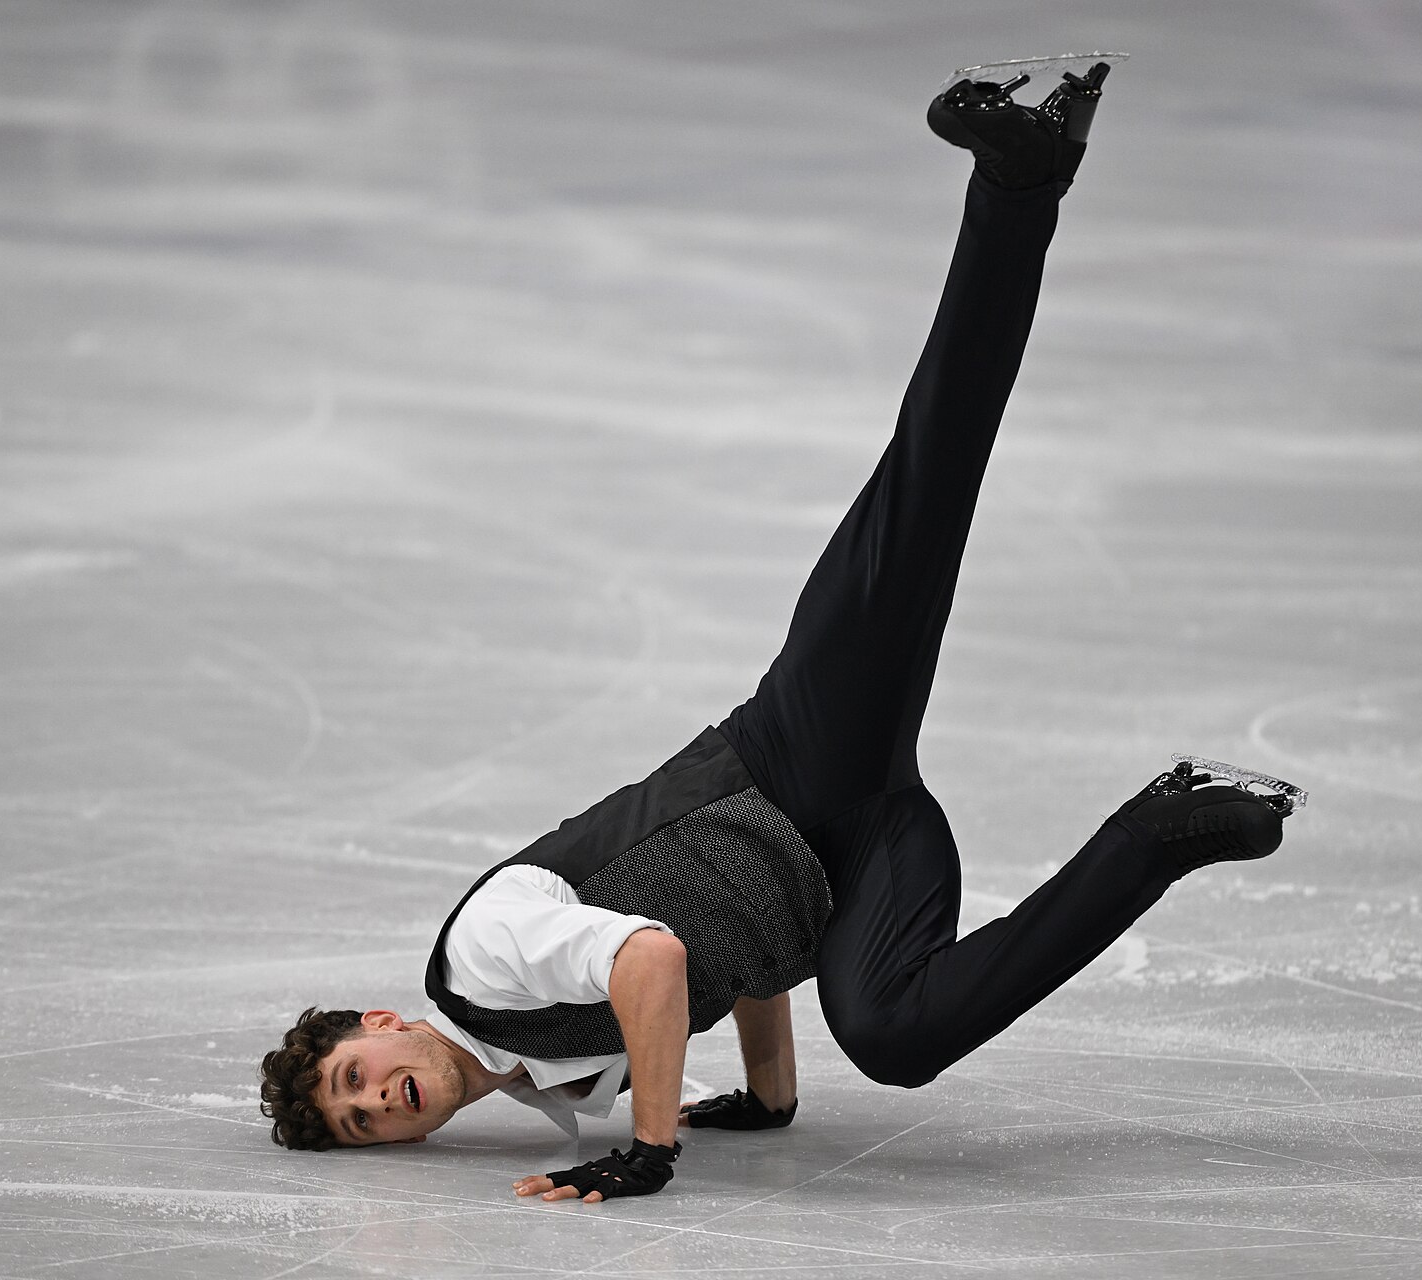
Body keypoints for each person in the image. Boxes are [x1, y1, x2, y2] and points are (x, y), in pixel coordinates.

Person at [257, 62, 1296, 1203]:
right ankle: (1162, 826)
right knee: (896, 1035)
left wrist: (652, 1146)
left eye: (358, 1073)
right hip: (849, 863)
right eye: (359, 1122)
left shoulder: (481, 959)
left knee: (931, 479)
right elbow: (713, 937)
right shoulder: (540, 1074)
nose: (375, 1099)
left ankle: (1022, 173)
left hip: (794, 761)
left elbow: (651, 958)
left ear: (382, 1020)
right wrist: (768, 1091)